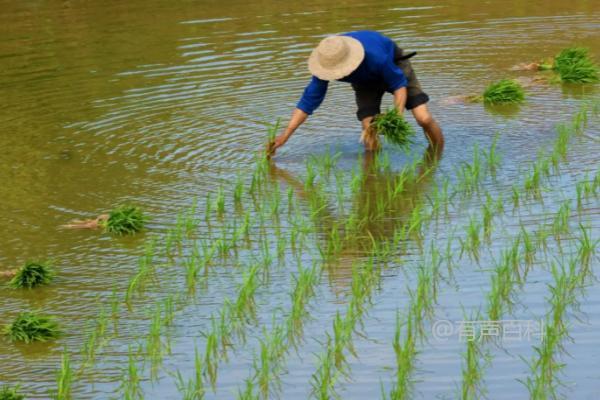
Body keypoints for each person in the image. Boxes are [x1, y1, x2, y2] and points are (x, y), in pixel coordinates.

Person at [268, 30, 444, 155]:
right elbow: (308, 102)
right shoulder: (326, 62)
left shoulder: (376, 57)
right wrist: (285, 135)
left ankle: (437, 156)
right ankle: (372, 177)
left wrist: (395, 118)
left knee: (423, 118)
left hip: (395, 66)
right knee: (368, 129)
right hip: (364, 81)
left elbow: (399, 85)